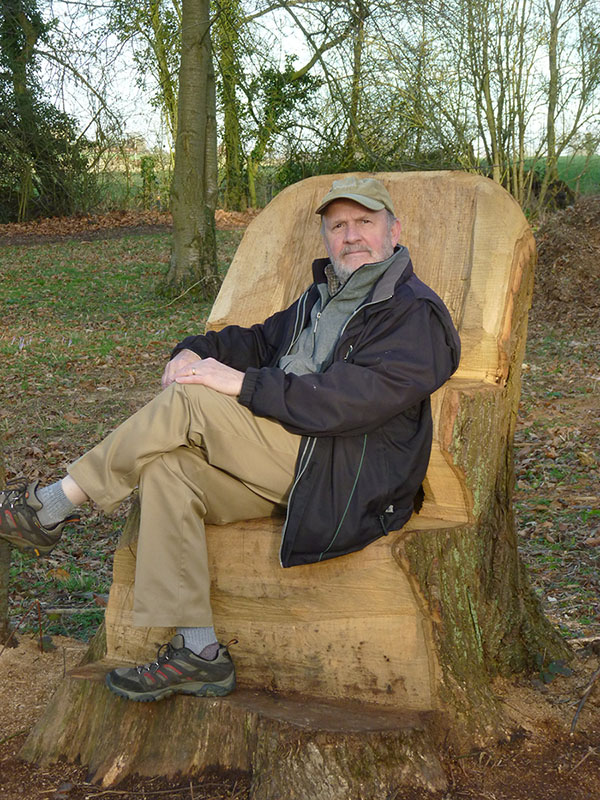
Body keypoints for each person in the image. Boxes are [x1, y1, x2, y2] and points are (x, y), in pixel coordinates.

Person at [0, 176, 460, 703]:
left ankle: (48, 509)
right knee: (165, 470)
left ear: (393, 230)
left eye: (364, 222)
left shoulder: (414, 314)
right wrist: (194, 350)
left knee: (192, 401)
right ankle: (200, 654)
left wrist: (241, 383)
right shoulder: (323, 297)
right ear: (327, 238)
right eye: (338, 225)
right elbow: (257, 340)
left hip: (342, 472)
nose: (351, 235)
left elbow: (351, 398)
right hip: (291, 458)